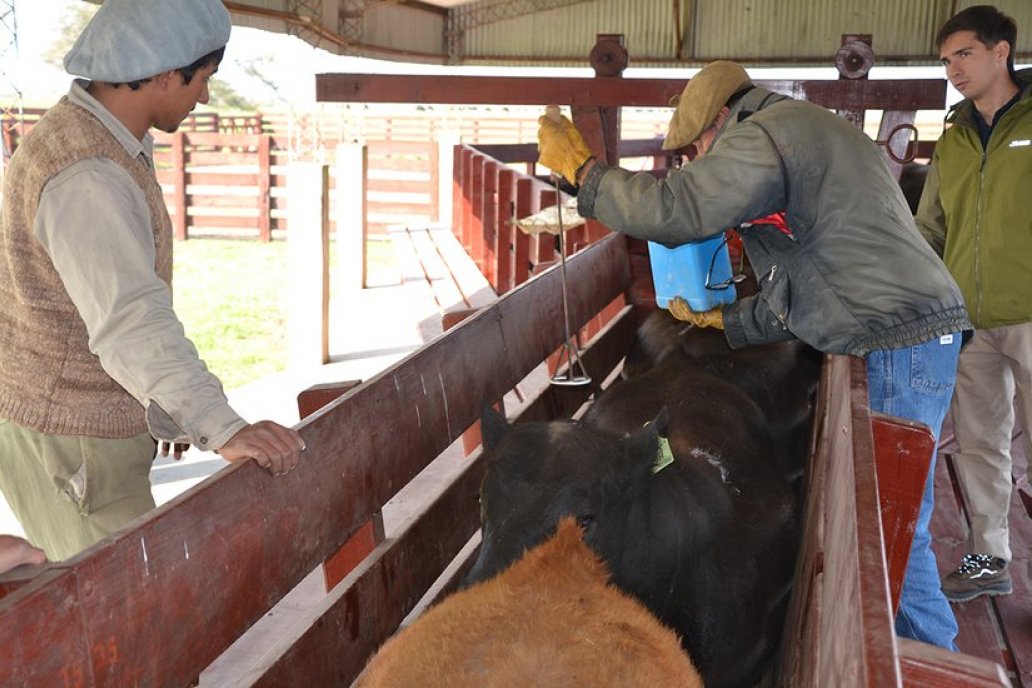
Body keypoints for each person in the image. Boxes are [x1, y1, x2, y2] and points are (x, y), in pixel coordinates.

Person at [529, 61, 973, 650]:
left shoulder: (763, 135)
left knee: (894, 524)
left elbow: (678, 211)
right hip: (904, 332)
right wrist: (729, 320)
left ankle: (928, 660)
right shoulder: (804, 134)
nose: (698, 161)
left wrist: (586, 174)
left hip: (896, 338)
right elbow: (816, 282)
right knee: (895, 516)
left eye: (697, 149)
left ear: (719, 121)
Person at [0, 0, 305, 562]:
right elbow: (129, 318)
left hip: (82, 422)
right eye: (204, 79)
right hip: (74, 437)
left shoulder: (96, 138)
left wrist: (160, 404)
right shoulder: (88, 173)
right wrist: (220, 424)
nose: (205, 97)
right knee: (118, 614)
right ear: (166, 74)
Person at [916, 5, 1032, 603]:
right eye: (945, 60)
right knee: (981, 442)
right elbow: (930, 228)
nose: (952, 69)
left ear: (1000, 51)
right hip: (969, 321)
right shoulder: (954, 138)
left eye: (963, 54)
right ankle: (990, 555)